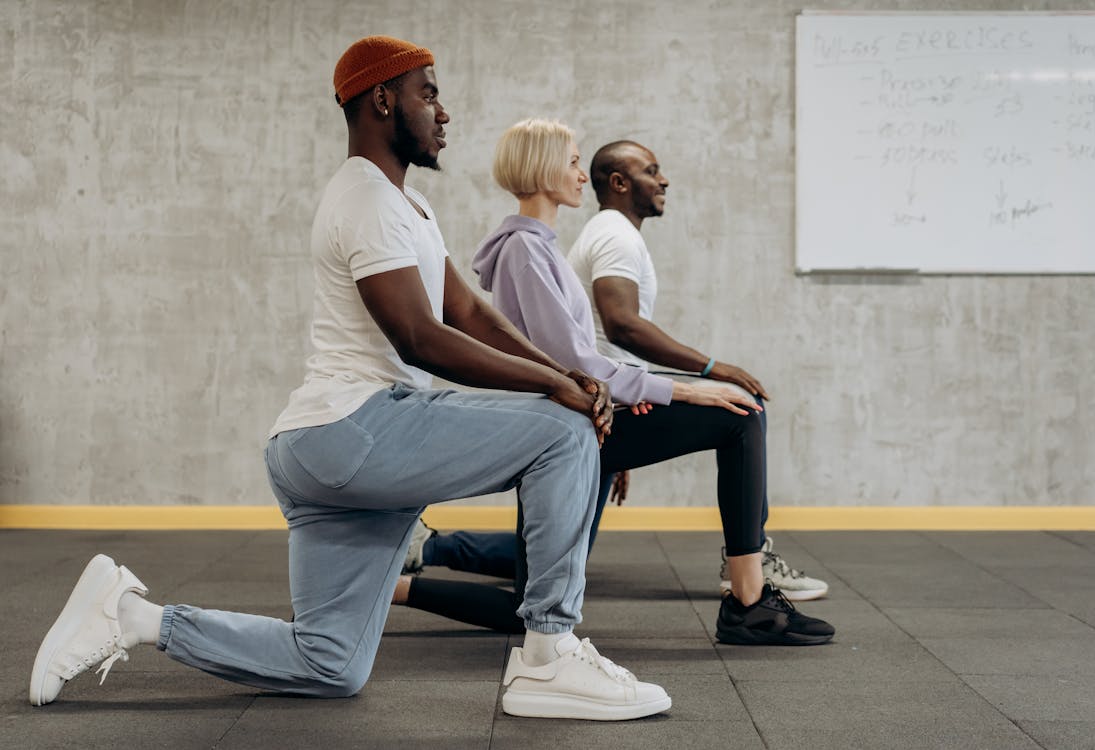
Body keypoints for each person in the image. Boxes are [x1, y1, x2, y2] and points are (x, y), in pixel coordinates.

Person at [29, 36, 671, 722]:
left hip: (328, 452)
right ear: (382, 100)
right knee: (564, 432)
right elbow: (420, 337)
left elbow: (466, 311)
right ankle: (548, 654)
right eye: (428, 94)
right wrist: (557, 391)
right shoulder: (362, 196)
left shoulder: (410, 206)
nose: (443, 112)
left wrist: (562, 370)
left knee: (327, 661)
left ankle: (131, 616)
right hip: (354, 427)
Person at [400, 118, 834, 646]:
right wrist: (684, 387)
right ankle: (748, 600)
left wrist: (632, 411)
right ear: (542, 167)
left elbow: (577, 359)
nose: (583, 176)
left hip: (587, 421)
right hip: (568, 426)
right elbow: (573, 361)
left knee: (529, 601)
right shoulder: (524, 250)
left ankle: (392, 583)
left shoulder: (538, 247)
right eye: (574, 162)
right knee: (739, 415)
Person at [567, 139, 829, 601]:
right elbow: (622, 326)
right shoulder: (614, 234)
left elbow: (607, 338)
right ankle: (747, 565)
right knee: (742, 411)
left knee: (561, 551)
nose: (664, 179)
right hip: (600, 410)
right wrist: (712, 367)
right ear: (620, 183)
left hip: (607, 406)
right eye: (652, 170)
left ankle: (438, 548)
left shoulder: (609, 231)